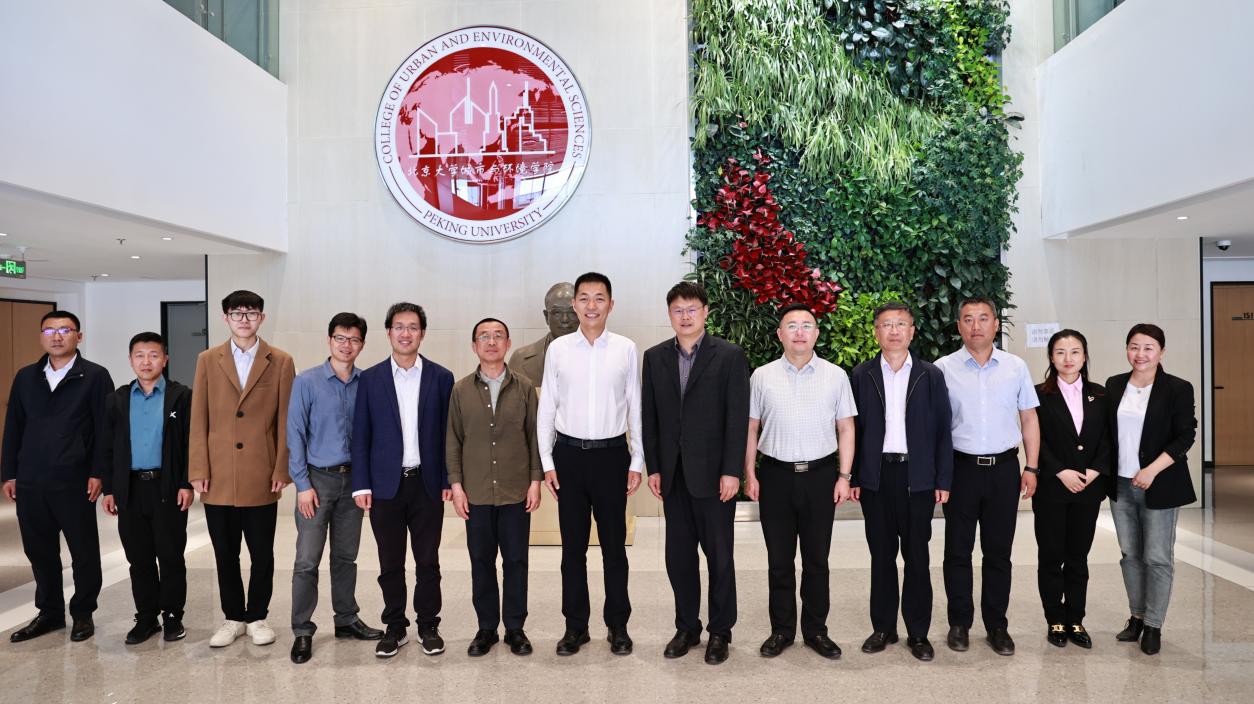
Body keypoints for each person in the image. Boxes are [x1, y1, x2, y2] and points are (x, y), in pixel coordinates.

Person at [642, 282, 749, 665]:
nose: (685, 316)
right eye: (678, 310)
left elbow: (737, 418)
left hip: (715, 477)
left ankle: (720, 631)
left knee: (720, 557)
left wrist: (732, 471)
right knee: (679, 558)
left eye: (691, 309)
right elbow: (650, 417)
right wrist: (654, 467)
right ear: (669, 315)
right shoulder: (655, 357)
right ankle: (687, 627)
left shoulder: (729, 356)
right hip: (673, 477)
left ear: (705, 312)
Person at [537, 272, 643, 656]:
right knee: (573, 550)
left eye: (599, 298)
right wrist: (547, 460)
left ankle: (618, 626)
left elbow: (635, 407)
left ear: (610, 304)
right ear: (575, 304)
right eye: (584, 298)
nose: (591, 305)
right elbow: (547, 407)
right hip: (569, 457)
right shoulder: (559, 350)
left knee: (614, 548)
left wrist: (637, 459)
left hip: (612, 456)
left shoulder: (626, 349)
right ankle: (575, 627)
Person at [744, 303, 856, 661]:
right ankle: (781, 630)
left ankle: (816, 630)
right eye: (791, 325)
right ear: (780, 334)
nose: (799, 332)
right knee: (779, 560)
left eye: (807, 325)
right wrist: (750, 473)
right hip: (775, 476)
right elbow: (751, 428)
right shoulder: (762, 376)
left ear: (816, 333)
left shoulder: (836, 376)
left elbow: (846, 428)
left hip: (821, 477)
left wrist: (844, 476)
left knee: (816, 560)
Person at [189, 290, 296, 649]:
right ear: (226, 318)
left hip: (261, 472)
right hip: (217, 473)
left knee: (262, 552)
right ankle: (233, 617)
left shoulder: (280, 361)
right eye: (237, 313)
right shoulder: (208, 359)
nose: (244, 319)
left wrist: (282, 467)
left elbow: (286, 420)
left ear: (261, 318)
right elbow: (198, 417)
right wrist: (198, 466)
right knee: (225, 553)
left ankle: (258, 616)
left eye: (251, 313)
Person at [934, 297, 1040, 657]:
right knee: (957, 552)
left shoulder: (1015, 367)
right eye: (968, 319)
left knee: (998, 552)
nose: (975, 325)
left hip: (1004, 470)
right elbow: (936, 427)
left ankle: (997, 625)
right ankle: (959, 623)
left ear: (996, 324)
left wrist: (1031, 466)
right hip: (960, 470)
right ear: (959, 326)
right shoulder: (943, 369)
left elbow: (1029, 418)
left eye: (983, 318)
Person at [849, 302, 952, 662]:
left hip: (917, 477)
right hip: (877, 478)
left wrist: (942, 478)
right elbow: (853, 430)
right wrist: (855, 475)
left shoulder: (930, 375)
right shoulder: (861, 375)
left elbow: (943, 430)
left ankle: (918, 633)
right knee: (881, 556)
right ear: (876, 332)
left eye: (901, 324)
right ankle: (883, 628)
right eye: (886, 324)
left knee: (917, 557)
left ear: (912, 331)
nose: (894, 331)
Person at [3, 310, 113, 643]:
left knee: (83, 552)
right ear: (41, 336)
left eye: (65, 330)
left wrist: (99, 472)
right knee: (39, 552)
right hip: (31, 480)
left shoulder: (94, 376)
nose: (57, 336)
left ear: (79, 336)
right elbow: (14, 427)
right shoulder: (26, 377)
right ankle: (49, 613)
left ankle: (83, 613)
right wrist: (9, 473)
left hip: (74, 480)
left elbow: (105, 429)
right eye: (49, 330)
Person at [351, 302, 454, 659]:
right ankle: (395, 627)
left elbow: (449, 434)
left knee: (428, 561)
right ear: (388, 332)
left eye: (412, 327)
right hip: (385, 487)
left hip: (427, 484)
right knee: (390, 563)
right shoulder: (371, 379)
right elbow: (361, 435)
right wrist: (361, 484)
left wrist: (448, 479)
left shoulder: (441, 377)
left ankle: (428, 625)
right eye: (399, 327)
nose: (405, 333)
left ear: (422, 333)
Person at [286, 313, 383, 664]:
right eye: (340, 338)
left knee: (345, 557)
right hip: (316, 481)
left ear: (362, 344)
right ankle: (302, 629)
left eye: (354, 339)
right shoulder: (307, 382)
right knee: (307, 560)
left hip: (353, 481)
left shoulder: (368, 382)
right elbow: (295, 434)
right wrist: (302, 485)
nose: (347, 345)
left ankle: (346, 619)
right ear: (329, 340)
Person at [447, 318, 543, 657]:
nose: (491, 342)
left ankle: (515, 628)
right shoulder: (460, 390)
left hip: (516, 490)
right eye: (484, 337)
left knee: (516, 560)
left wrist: (535, 481)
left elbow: (535, 436)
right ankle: (486, 628)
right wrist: (457, 486)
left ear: (507, 343)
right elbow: (453, 440)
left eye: (498, 336)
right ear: (474, 345)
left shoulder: (525, 387)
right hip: (476, 492)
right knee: (481, 561)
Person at [1105, 323, 1196, 656]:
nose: (1140, 354)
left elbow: (1185, 435)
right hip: (1120, 484)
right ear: (1126, 349)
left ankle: (1154, 625)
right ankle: (1137, 617)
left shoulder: (1178, 388)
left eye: (1148, 347)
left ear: (1161, 351)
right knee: (1130, 555)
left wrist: (1152, 470)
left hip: (1160, 484)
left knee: (1157, 557)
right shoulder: (1115, 385)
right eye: (1134, 346)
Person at [100, 332, 193, 645]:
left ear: (165, 359)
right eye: (139, 355)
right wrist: (110, 489)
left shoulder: (181, 396)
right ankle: (146, 617)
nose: (146, 362)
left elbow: (190, 444)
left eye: (153, 355)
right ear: (130, 360)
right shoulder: (118, 399)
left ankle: (172, 615)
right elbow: (107, 447)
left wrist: (186, 483)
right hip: (130, 489)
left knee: (170, 556)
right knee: (138, 559)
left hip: (167, 487)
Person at [1033, 329, 1110, 650]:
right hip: (1052, 487)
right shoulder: (1038, 394)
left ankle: (1076, 618)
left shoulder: (1101, 394)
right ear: (1051, 357)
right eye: (1060, 352)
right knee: (1051, 556)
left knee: (1078, 557)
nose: (1068, 358)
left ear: (1084, 356)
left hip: (1088, 488)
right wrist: (1060, 471)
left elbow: (1109, 437)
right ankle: (1055, 619)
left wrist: (1094, 471)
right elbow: (1035, 439)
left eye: (1075, 352)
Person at [509, 282, 577, 386]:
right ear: (546, 317)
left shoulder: (599, 357)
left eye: (572, 313)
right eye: (557, 313)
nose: (565, 319)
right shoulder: (520, 358)